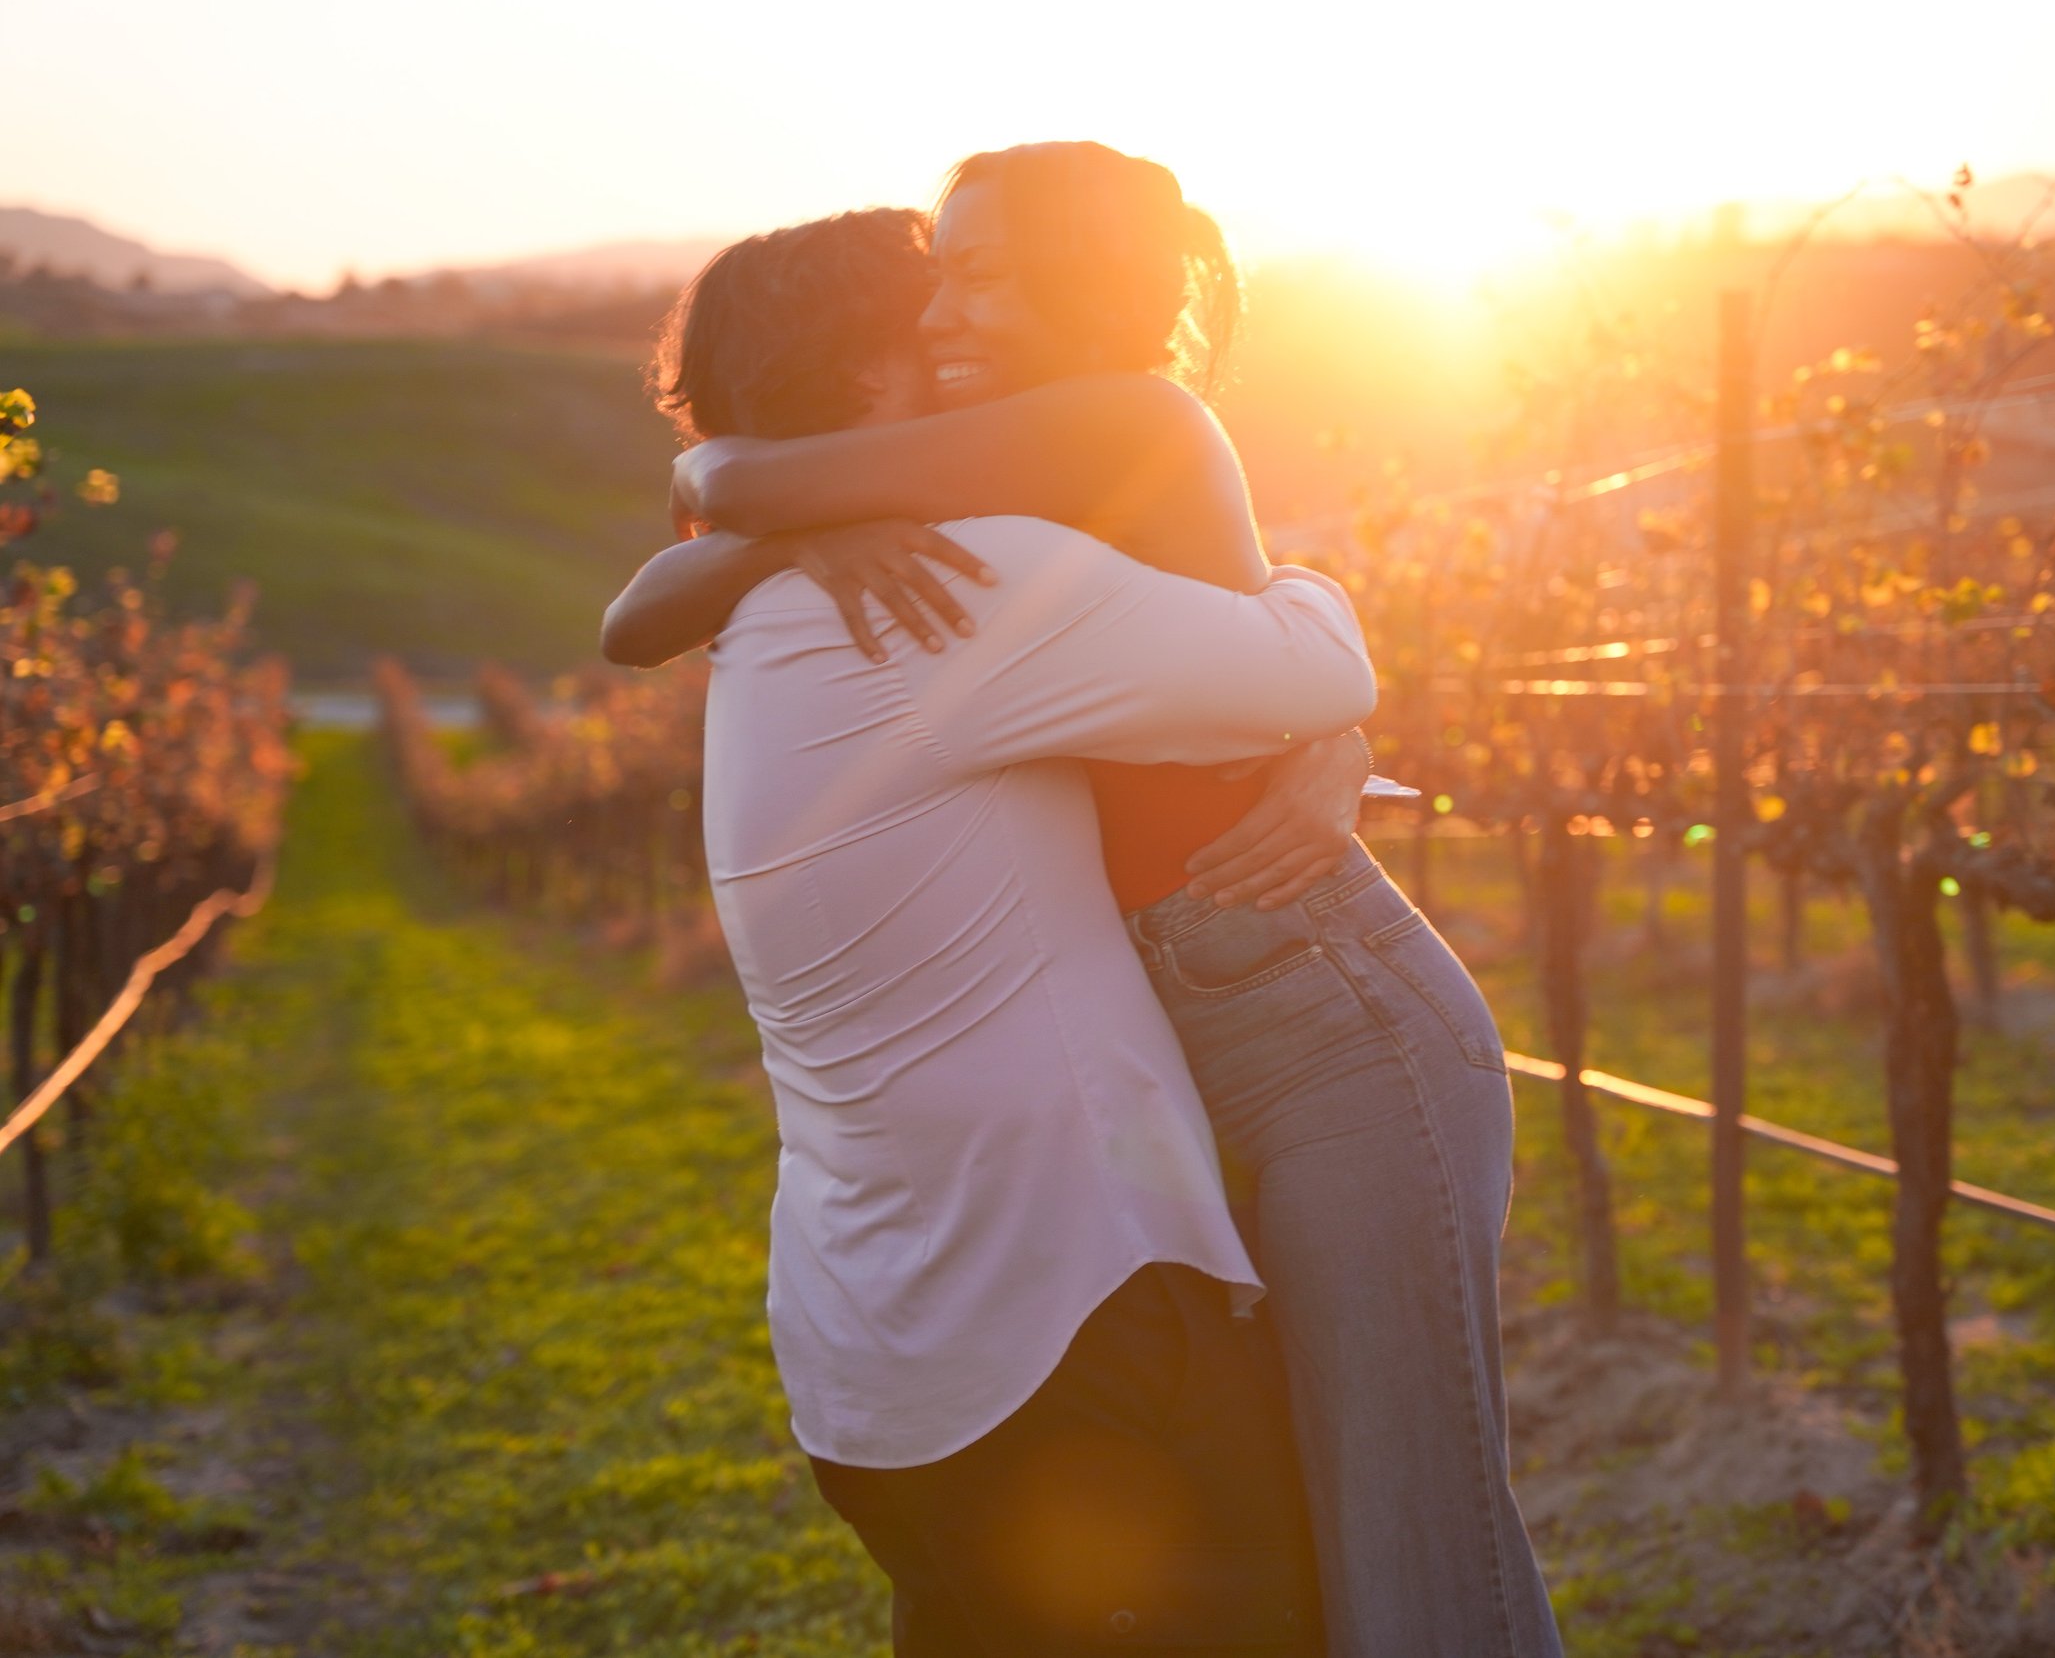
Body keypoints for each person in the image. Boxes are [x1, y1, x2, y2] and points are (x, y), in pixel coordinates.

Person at [611, 145, 1564, 1658]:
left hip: (1324, 1017)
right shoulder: (946, 563)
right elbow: (1279, 659)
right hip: (1203, 1038)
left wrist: (1329, 726)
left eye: (973, 279)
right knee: (1355, 1544)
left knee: (1407, 1541)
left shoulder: (1015, 505)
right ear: (863, 370)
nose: (948, 324)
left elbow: (1291, 663)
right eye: (928, 299)